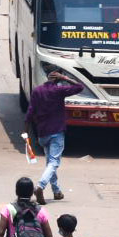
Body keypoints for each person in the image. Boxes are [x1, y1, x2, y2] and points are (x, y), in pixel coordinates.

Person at [26, 69, 85, 204]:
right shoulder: (59, 91)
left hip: (42, 133)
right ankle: (40, 186)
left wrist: (26, 130)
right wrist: (65, 78)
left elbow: (30, 111)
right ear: (58, 79)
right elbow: (79, 87)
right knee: (53, 163)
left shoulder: (37, 91)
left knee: (50, 163)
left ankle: (56, 191)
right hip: (56, 132)